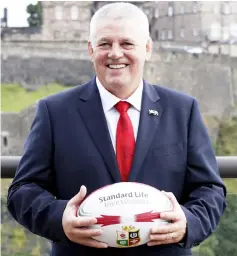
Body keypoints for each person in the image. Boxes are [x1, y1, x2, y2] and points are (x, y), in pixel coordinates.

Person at [7, 2, 226, 256]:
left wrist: (188, 222)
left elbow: (210, 190)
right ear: (91, 50)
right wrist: (60, 219)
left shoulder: (182, 110)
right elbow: (22, 191)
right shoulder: (54, 111)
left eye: (126, 44)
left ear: (147, 49)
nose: (115, 53)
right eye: (104, 44)